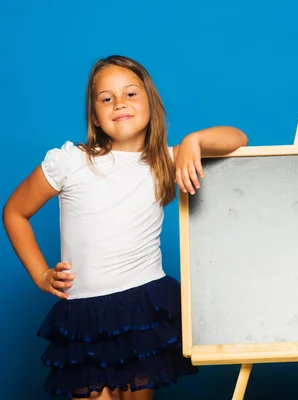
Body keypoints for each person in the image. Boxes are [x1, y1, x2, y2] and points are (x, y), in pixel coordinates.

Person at [2, 55, 248, 399]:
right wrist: (41, 274)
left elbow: (238, 138)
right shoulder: (70, 161)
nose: (119, 103)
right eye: (106, 98)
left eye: (130, 94)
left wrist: (194, 139)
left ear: (151, 103)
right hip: (83, 313)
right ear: (96, 116)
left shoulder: (165, 160)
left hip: (142, 305)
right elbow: (14, 212)